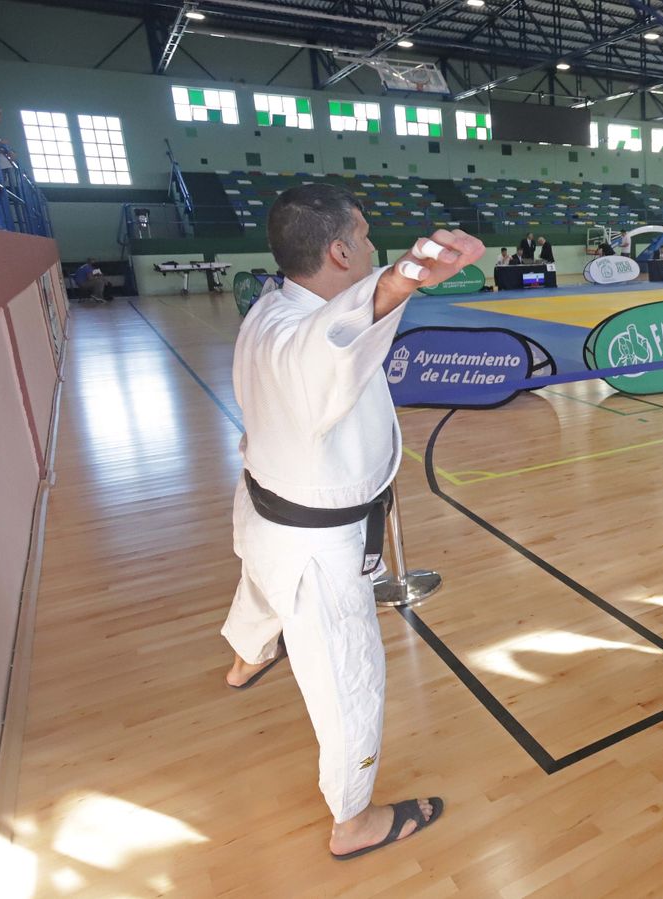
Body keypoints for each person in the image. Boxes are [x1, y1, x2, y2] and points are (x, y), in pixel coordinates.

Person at [223, 184, 482, 857]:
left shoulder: (270, 305)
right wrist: (408, 273)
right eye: (363, 236)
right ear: (339, 250)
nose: (370, 245)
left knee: (258, 587)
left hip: (263, 507)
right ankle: (353, 819)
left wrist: (396, 277)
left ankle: (246, 658)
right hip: (317, 547)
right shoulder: (304, 337)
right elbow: (337, 333)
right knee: (350, 681)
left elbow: (336, 324)